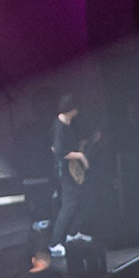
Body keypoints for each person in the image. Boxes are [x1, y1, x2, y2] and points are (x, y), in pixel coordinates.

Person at [52, 93, 91, 248]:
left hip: (73, 169)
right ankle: (54, 243)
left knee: (85, 199)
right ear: (71, 108)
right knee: (69, 204)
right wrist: (80, 156)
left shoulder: (69, 124)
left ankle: (73, 233)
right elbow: (59, 150)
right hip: (65, 170)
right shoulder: (59, 125)